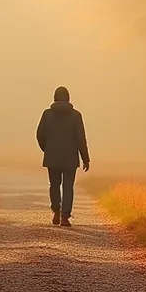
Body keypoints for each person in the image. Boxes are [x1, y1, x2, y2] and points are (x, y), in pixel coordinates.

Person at [36, 86, 90, 227]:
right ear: (68, 98)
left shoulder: (47, 114)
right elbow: (81, 139)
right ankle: (65, 217)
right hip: (70, 158)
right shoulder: (76, 116)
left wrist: (47, 149)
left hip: (52, 156)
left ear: (55, 98)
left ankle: (56, 212)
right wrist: (85, 158)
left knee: (54, 185)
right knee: (68, 187)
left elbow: (40, 135)